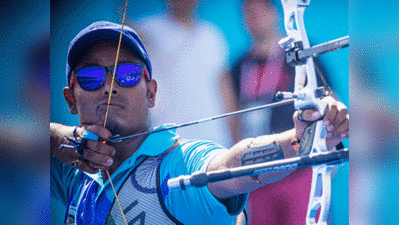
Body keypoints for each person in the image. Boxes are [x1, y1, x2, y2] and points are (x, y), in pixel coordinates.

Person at [50, 21, 349, 225]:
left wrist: (297, 140)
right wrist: (63, 138)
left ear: (151, 92)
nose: (109, 86)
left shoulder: (176, 165)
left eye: (127, 74)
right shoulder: (70, 169)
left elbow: (227, 165)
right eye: (90, 78)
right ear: (70, 99)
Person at [220, 0, 338, 223]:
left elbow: (329, 100)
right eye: (248, 12)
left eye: (259, 10)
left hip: (301, 171)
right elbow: (233, 120)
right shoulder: (238, 67)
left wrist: (330, 151)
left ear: (275, 13)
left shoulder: (302, 54)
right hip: (258, 174)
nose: (254, 17)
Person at [132, 0, 232, 147]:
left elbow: (225, 92)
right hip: (169, 145)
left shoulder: (212, 34)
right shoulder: (146, 30)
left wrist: (235, 137)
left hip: (216, 141)